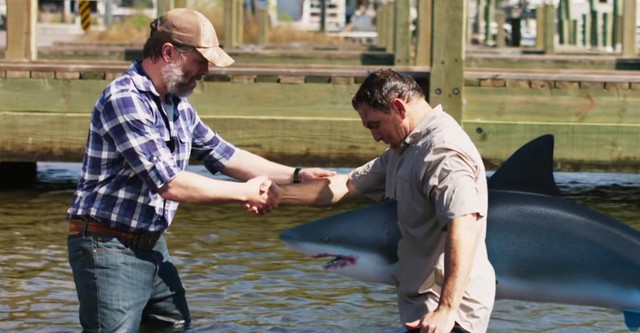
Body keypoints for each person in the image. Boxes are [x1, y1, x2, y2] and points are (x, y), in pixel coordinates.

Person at [66, 8, 334, 332]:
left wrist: (296, 174)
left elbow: (225, 155)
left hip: (150, 244)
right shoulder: (125, 99)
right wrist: (244, 193)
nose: (206, 70)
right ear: (168, 53)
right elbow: (169, 184)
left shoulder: (178, 106)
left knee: (174, 324)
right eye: (201, 60)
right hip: (106, 246)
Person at [278, 69, 496, 333]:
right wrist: (276, 195)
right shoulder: (404, 148)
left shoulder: (442, 152)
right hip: (424, 306)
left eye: (375, 125)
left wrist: (447, 309)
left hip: (450, 314)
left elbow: (464, 225)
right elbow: (343, 186)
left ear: (398, 107)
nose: (375, 137)